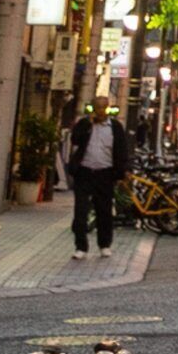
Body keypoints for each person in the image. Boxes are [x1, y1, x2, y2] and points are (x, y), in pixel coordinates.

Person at [65, 104, 132, 259]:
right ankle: (81, 246)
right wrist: (87, 124)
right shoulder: (85, 124)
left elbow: (121, 149)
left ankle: (104, 244)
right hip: (85, 172)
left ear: (107, 109)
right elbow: (75, 140)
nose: (100, 111)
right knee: (81, 211)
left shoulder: (115, 127)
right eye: (97, 108)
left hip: (105, 173)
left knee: (104, 210)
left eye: (103, 108)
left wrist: (124, 170)